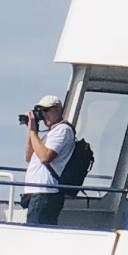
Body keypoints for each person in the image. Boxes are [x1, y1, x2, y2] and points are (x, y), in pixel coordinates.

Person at [20, 89, 77, 226]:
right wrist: (31, 131)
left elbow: (45, 157)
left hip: (46, 193)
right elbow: (29, 157)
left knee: (36, 236)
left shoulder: (63, 130)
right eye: (41, 111)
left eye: (46, 110)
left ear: (58, 110)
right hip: (37, 193)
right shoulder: (50, 134)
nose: (44, 115)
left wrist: (34, 131)